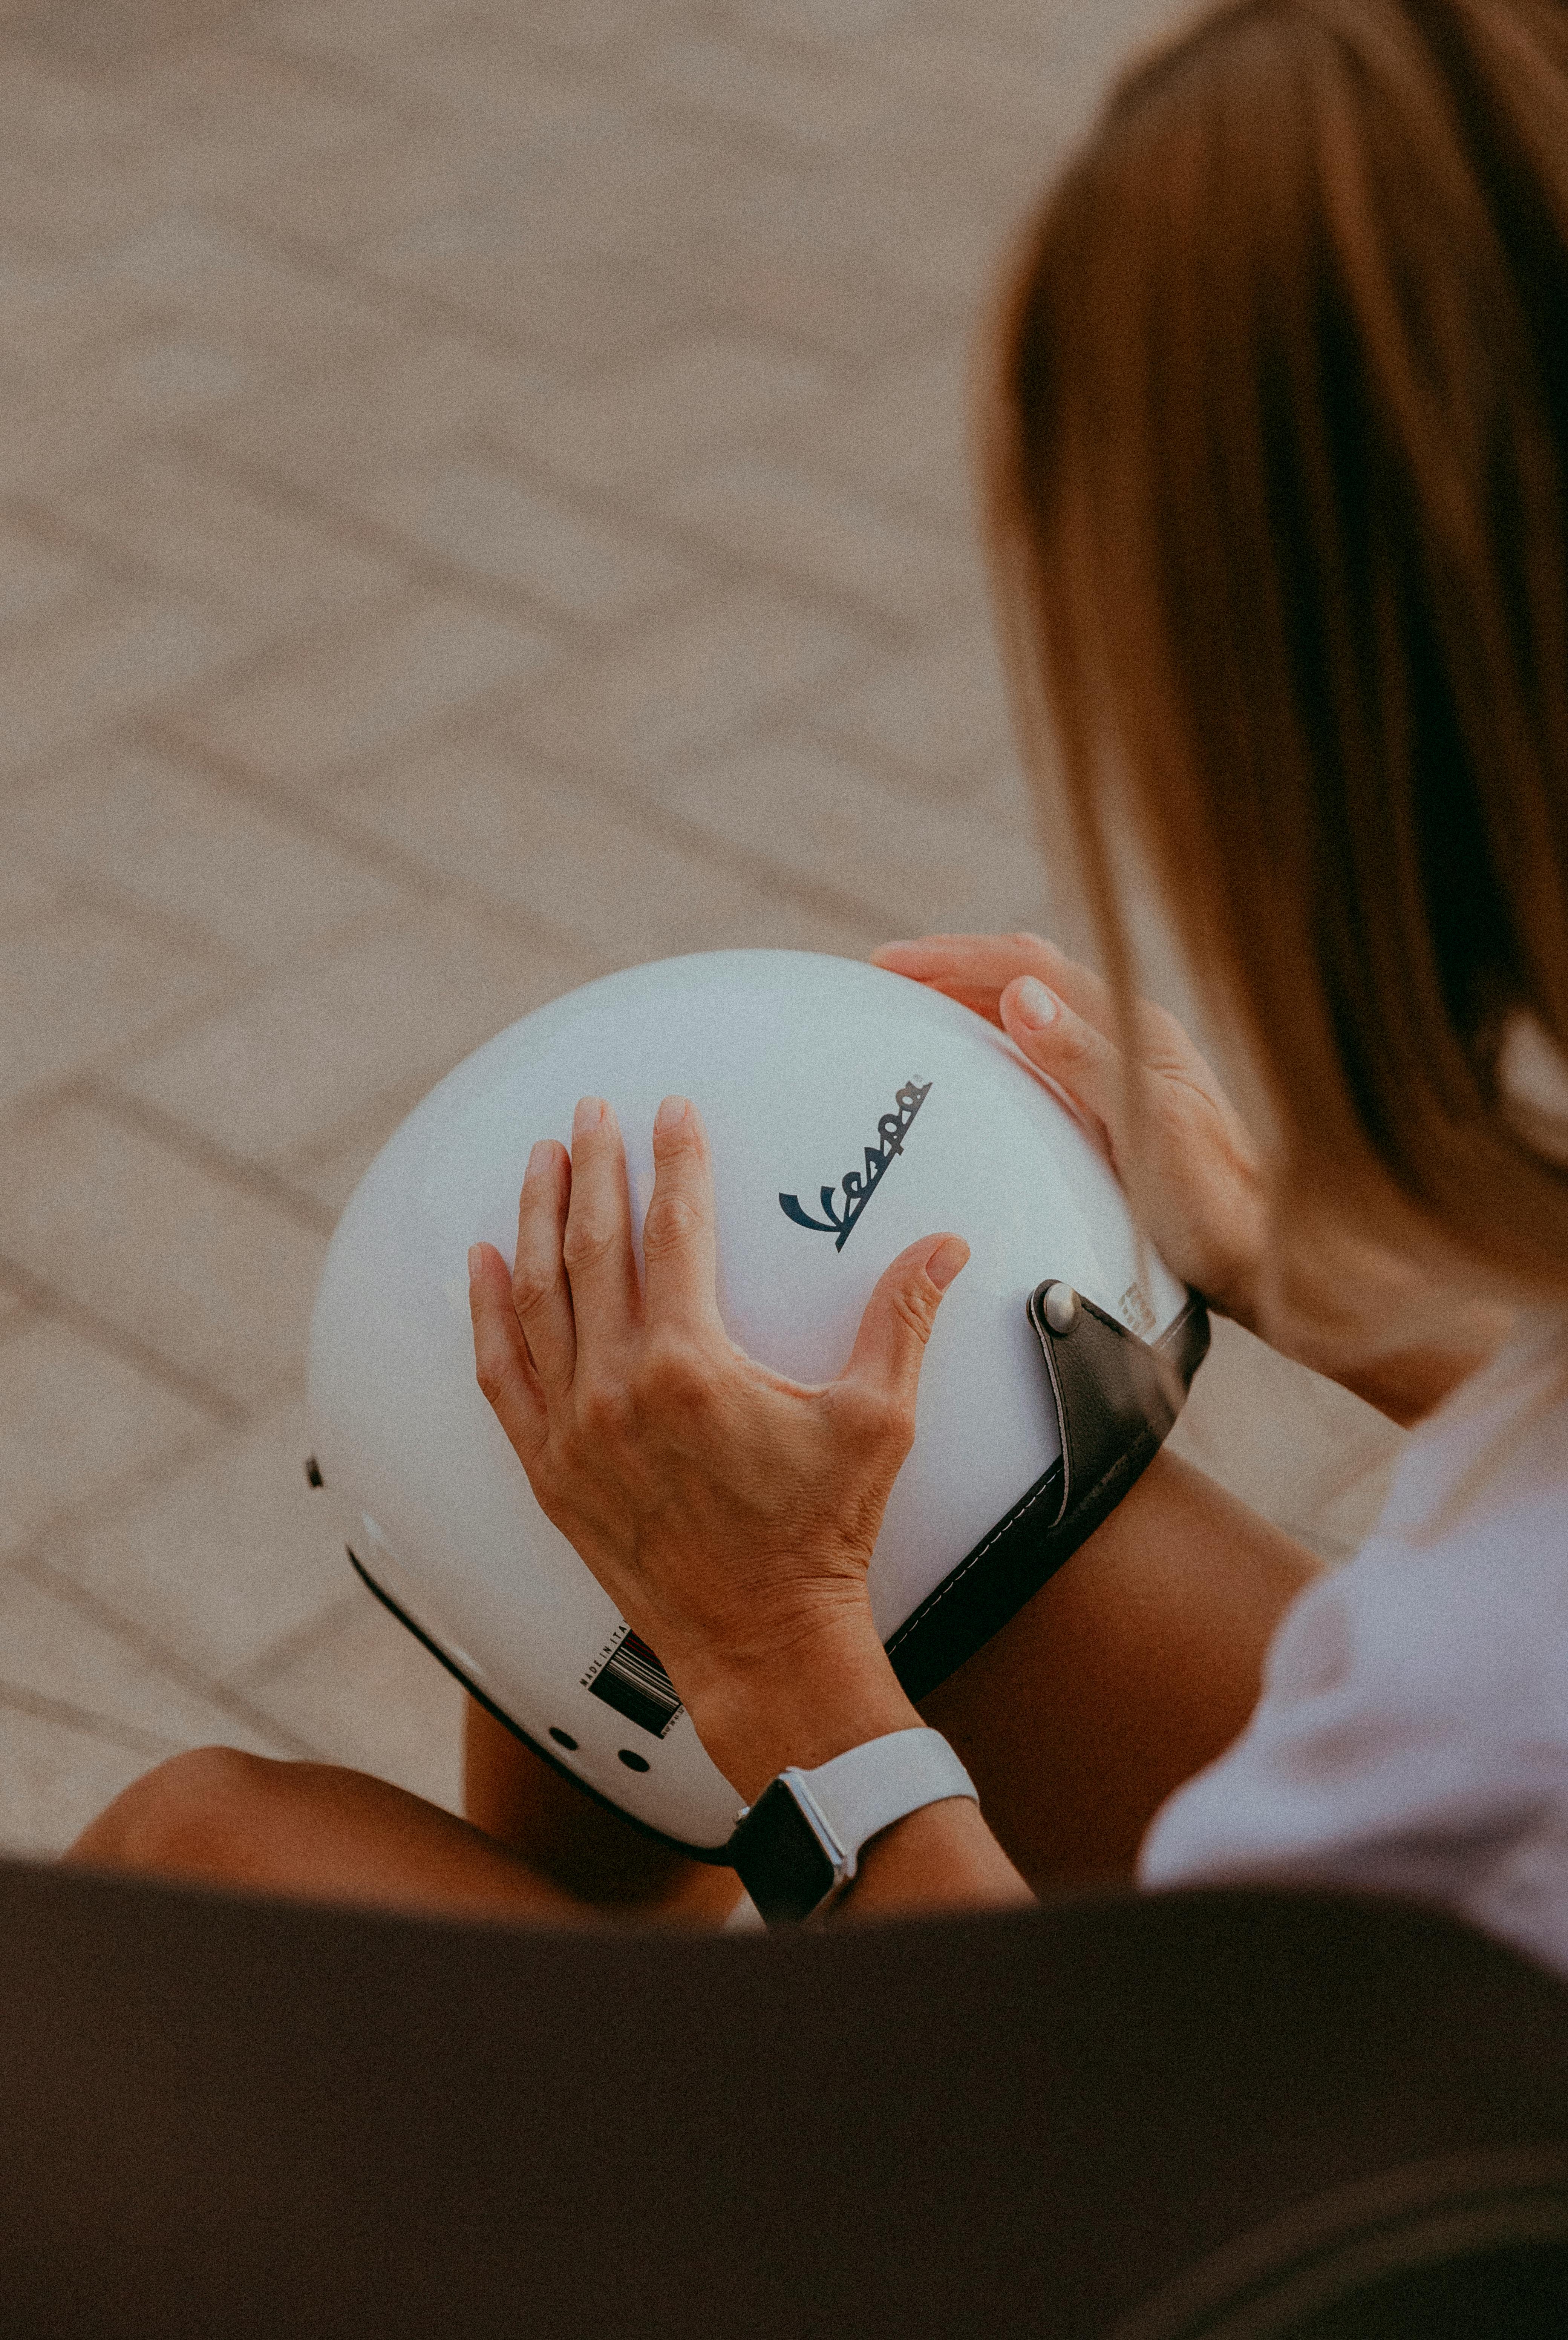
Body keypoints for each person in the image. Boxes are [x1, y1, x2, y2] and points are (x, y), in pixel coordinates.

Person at [67, 0, 1568, 1967]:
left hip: (1257, 2217)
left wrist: (793, 1674)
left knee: (207, 1851)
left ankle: (576, 2092)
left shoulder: (1458, 1752)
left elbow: (1126, 2201)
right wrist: (1315, 1270)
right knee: (752, 1352)